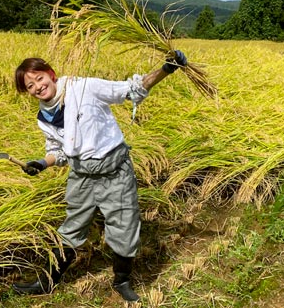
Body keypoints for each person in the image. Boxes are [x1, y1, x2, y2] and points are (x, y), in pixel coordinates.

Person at [11, 51, 188, 302]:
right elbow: (58, 151)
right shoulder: (44, 117)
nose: (38, 87)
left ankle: (122, 280)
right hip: (82, 175)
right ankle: (47, 281)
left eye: (39, 79)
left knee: (125, 227)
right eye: (30, 86)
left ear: (51, 74)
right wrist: (41, 163)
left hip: (115, 172)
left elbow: (132, 90)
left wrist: (166, 69)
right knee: (71, 228)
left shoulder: (84, 88)